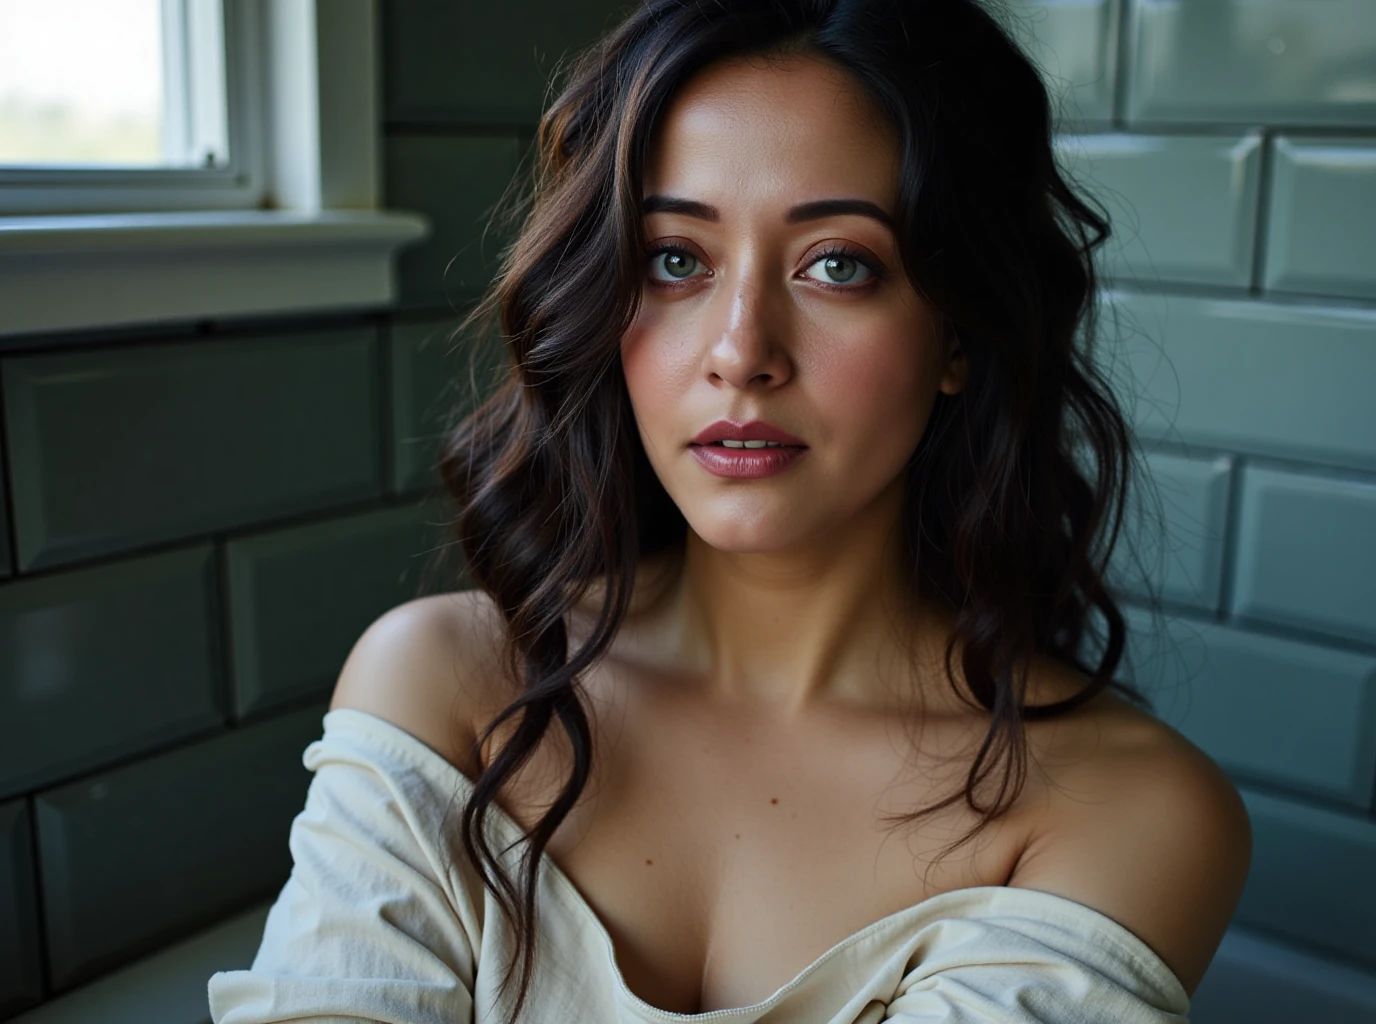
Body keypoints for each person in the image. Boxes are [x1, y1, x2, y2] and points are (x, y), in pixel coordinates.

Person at [209, 1, 1251, 1021]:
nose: (740, 351)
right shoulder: (446, 687)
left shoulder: (1127, 810)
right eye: (675, 259)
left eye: (838, 265)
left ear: (959, 337)